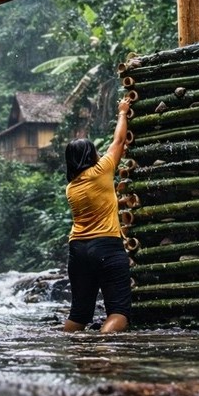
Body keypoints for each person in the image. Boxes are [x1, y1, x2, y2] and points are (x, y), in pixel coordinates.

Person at [62, 95, 133, 334]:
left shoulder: (71, 188)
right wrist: (123, 111)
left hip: (77, 250)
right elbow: (120, 140)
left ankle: (71, 349)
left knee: (80, 314)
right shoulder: (100, 171)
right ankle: (104, 350)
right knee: (118, 311)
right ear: (90, 156)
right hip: (106, 247)